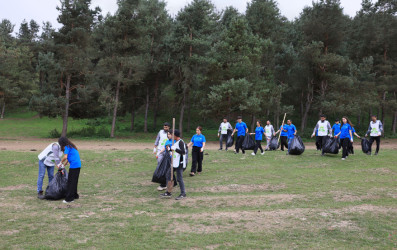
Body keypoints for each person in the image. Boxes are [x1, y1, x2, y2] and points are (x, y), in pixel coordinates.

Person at [160, 130, 187, 200]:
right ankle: (168, 192)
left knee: (179, 178)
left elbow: (183, 152)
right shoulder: (175, 142)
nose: (171, 136)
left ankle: (183, 193)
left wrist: (175, 149)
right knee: (168, 174)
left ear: (175, 135)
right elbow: (174, 151)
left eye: (172, 135)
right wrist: (169, 149)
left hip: (179, 163)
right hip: (174, 162)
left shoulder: (181, 142)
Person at [58, 137, 81, 203]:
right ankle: (75, 195)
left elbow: (65, 157)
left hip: (74, 166)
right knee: (74, 181)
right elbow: (69, 158)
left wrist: (60, 163)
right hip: (78, 165)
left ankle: (69, 199)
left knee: (71, 182)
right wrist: (64, 165)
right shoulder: (71, 146)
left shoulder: (67, 147)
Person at [153, 122, 171, 191]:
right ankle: (161, 176)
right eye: (164, 127)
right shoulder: (160, 132)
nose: (165, 128)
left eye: (166, 127)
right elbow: (157, 139)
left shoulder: (170, 133)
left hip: (167, 151)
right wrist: (155, 147)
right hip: (160, 149)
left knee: (166, 165)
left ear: (169, 127)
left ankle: (165, 181)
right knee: (160, 163)